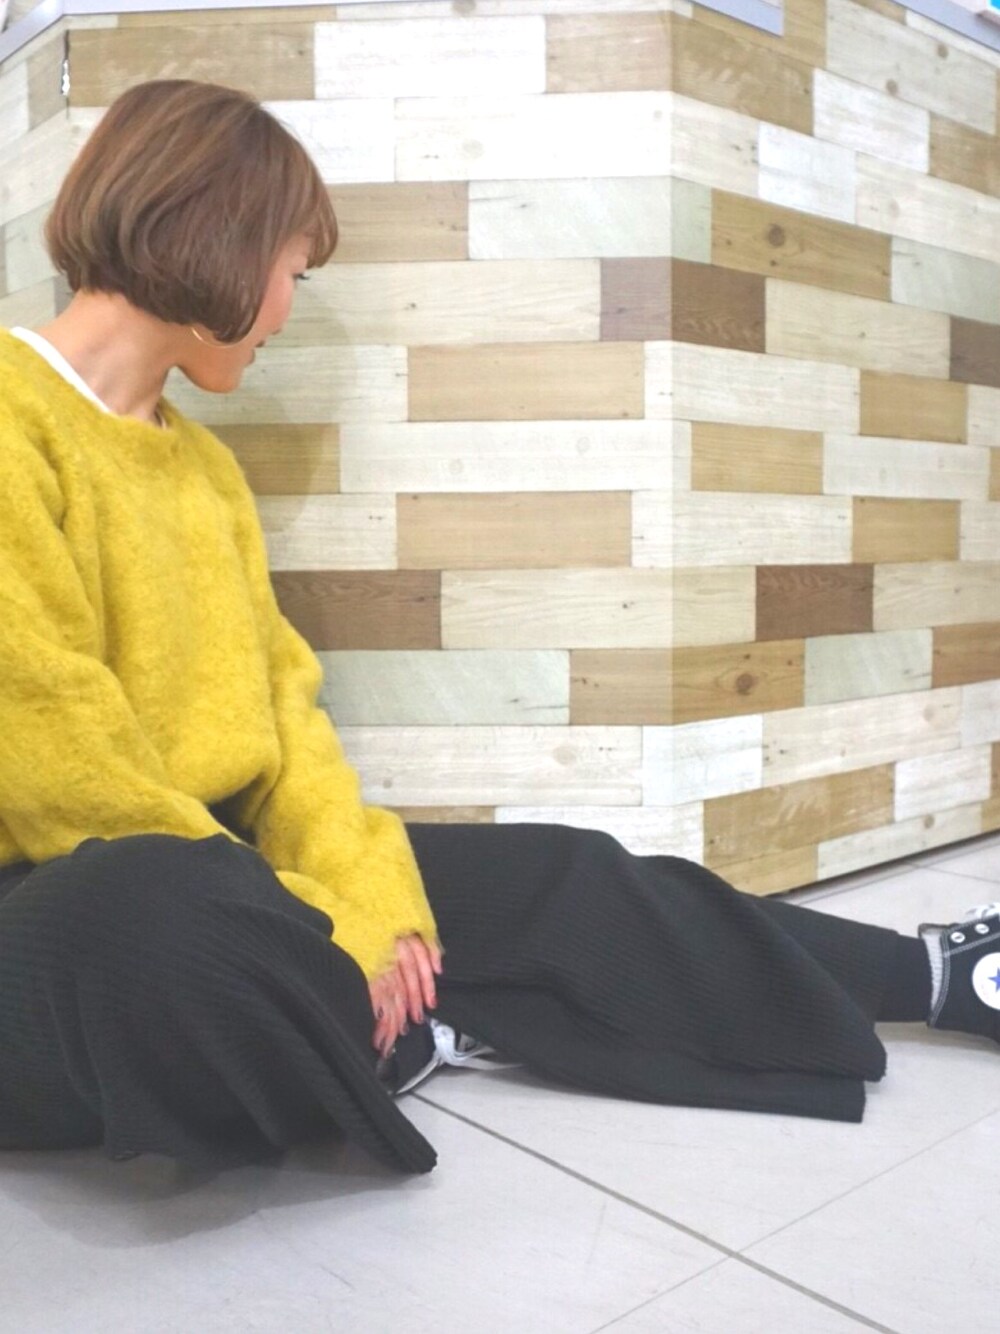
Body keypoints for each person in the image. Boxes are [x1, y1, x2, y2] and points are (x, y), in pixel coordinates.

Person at [0, 80, 997, 1177]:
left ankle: (940, 977)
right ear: (215, 241)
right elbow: (57, 761)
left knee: (555, 873)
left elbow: (285, 721)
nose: (287, 308)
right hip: (68, 890)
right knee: (168, 914)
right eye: (293, 269)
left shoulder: (205, 470)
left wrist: (367, 901)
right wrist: (318, 919)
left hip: (224, 867)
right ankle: (381, 1019)